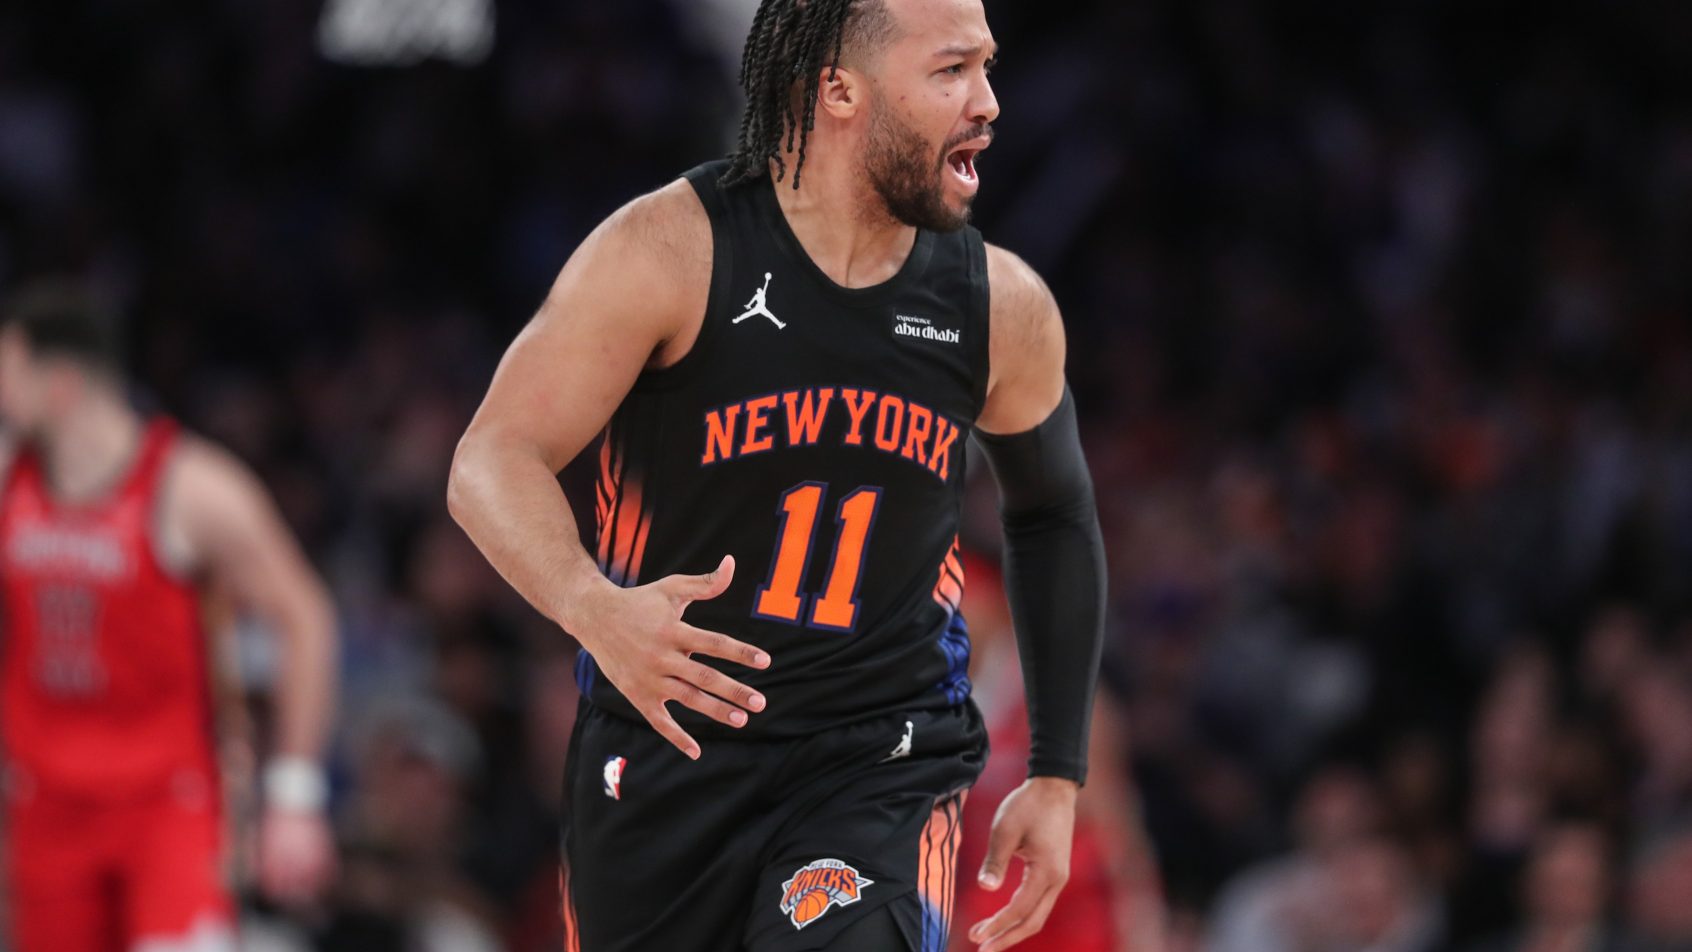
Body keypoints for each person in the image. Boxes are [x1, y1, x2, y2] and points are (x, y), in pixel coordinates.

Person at [448, 0, 1108, 949]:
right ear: (841, 90)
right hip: (666, 755)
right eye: (952, 71)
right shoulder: (672, 249)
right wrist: (590, 604)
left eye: (990, 68)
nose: (989, 102)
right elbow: (489, 459)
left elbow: (1053, 514)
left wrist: (1056, 770)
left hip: (877, 761)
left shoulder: (999, 305)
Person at [0, 281, 339, 951]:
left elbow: (305, 617)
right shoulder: (12, 480)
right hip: (45, 804)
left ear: (60, 383)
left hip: (167, 805)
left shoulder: (191, 488)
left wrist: (294, 795)